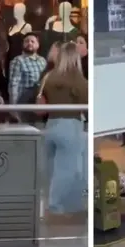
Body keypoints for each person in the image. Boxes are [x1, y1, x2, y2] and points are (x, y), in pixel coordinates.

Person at [39, 41, 87, 217]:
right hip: (70, 125)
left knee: (52, 169)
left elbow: (42, 100)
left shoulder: (49, 77)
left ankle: (49, 203)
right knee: (68, 169)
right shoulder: (79, 81)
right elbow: (86, 106)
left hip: (50, 125)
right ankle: (56, 205)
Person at [8, 32, 46, 104]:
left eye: (32, 41)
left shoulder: (42, 61)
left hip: (39, 101)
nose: (30, 43)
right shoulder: (18, 60)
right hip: (24, 102)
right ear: (23, 44)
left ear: (38, 45)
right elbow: (13, 85)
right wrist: (13, 107)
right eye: (27, 41)